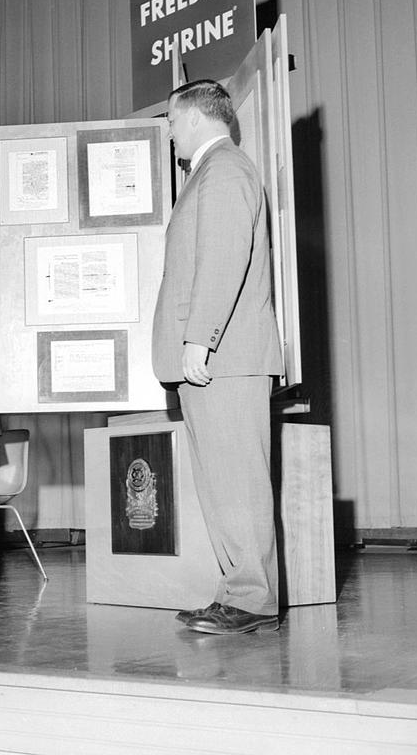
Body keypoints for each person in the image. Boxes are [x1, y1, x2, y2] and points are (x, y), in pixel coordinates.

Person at [151, 79, 283, 635]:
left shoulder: (224, 170)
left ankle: (252, 598)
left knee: (238, 483)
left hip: (222, 358)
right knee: (224, 485)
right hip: (219, 359)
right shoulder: (213, 172)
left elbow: (223, 260)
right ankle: (239, 593)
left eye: (173, 120)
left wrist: (198, 339)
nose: (170, 131)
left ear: (199, 118)